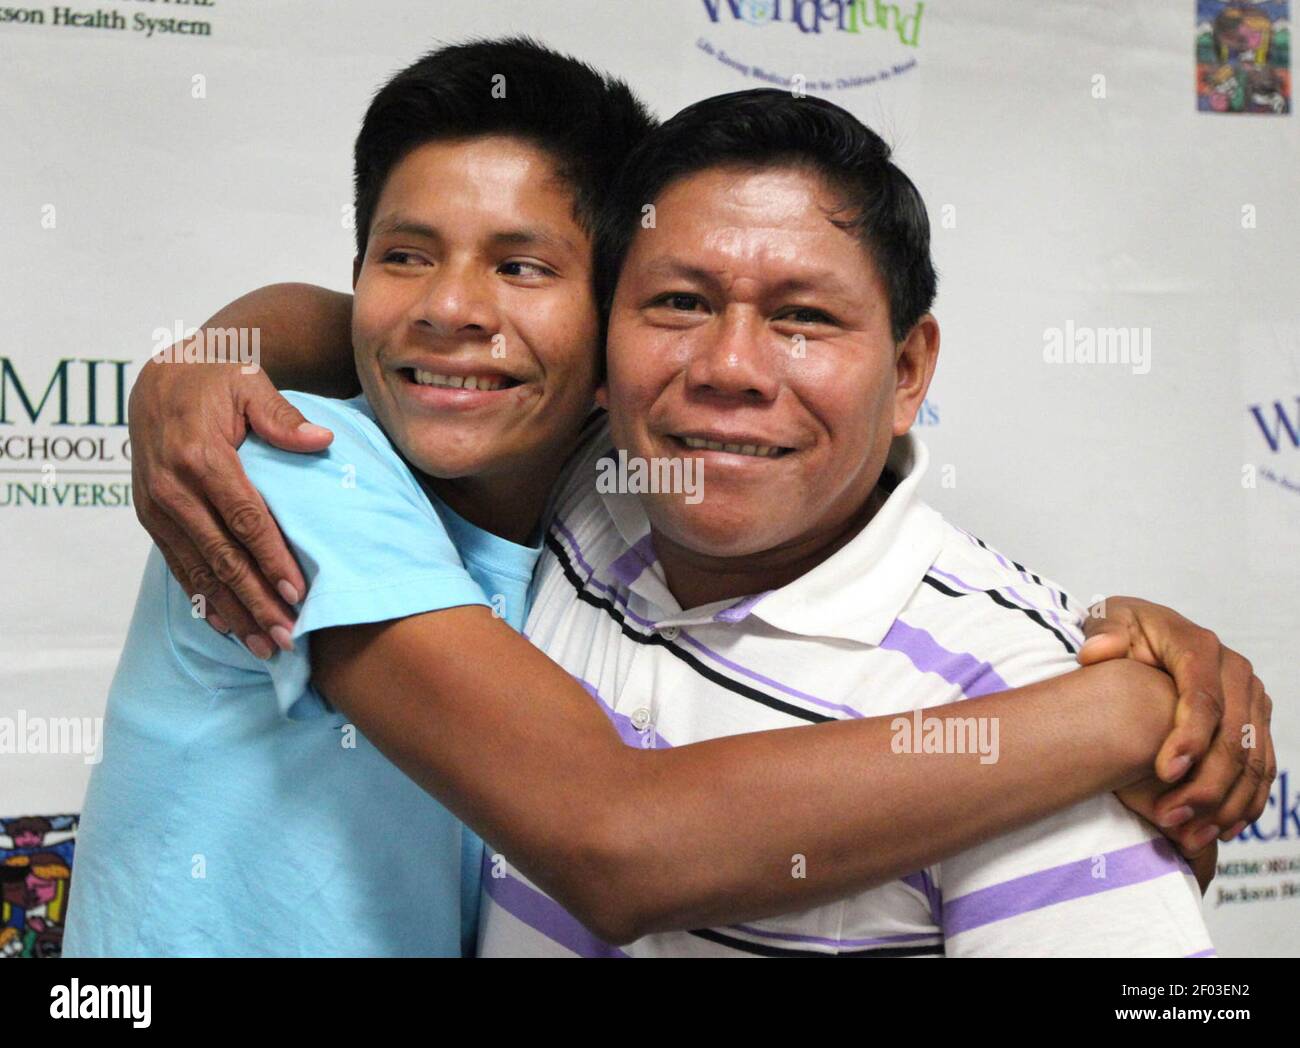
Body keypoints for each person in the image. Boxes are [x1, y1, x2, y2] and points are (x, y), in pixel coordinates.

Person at [100, 47, 1273, 955]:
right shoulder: (385, 465)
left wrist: (1142, 690)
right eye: (678, 305)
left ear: (909, 369)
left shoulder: (1009, 702)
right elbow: (616, 836)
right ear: (619, 340)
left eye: (804, 318)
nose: (726, 367)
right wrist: (203, 356)